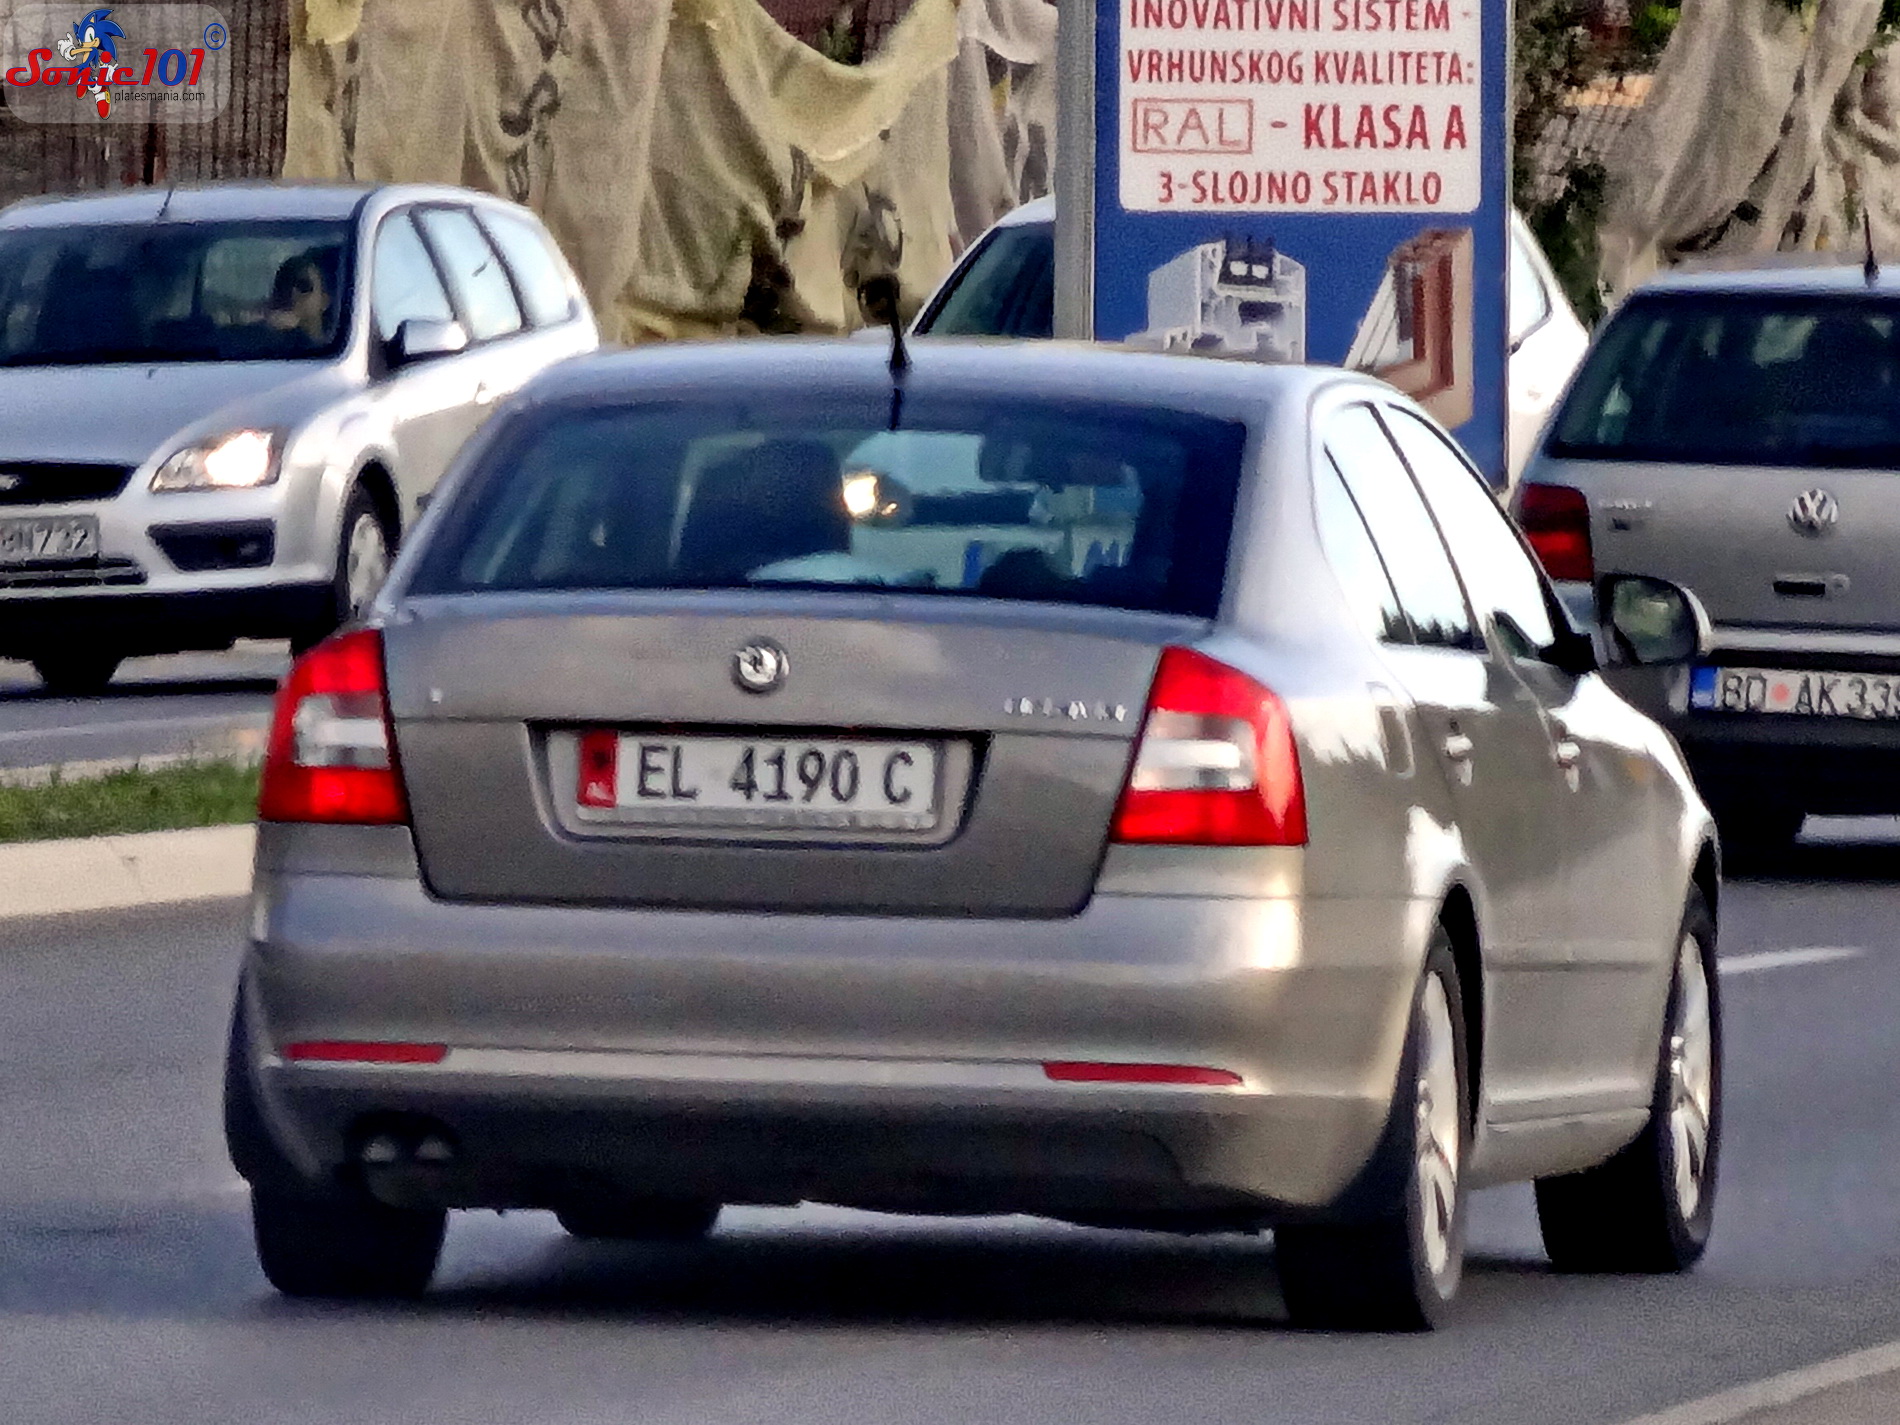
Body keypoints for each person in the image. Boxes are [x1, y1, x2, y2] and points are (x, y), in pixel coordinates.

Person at [264, 250, 336, 344]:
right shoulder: (263, 343)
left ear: (324, 301)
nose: (293, 292)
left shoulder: (342, 347)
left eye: (303, 285)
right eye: (284, 285)